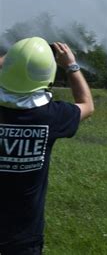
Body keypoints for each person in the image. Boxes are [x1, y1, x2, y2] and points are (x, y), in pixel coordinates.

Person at [0, 37, 94, 254]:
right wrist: (71, 66)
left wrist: (12, 59)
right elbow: (87, 105)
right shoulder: (51, 116)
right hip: (24, 237)